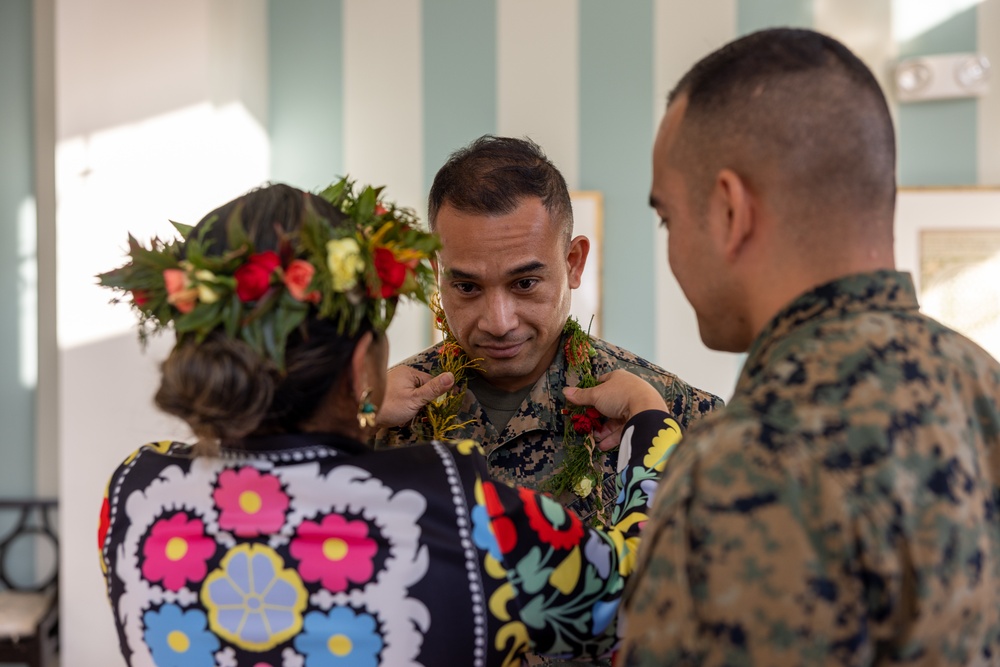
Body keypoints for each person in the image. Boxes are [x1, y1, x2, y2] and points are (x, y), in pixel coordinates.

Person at [95, 180, 681, 667]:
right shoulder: (462, 508)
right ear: (359, 366)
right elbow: (642, 598)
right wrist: (650, 423)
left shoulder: (134, 494)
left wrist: (363, 415)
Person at [565, 28, 1000, 665]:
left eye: (668, 218)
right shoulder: (983, 386)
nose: (670, 247)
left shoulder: (744, 460)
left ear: (730, 211)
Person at [377, 136, 722, 528]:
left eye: (524, 283)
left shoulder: (673, 414)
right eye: (468, 287)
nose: (499, 322)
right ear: (437, 273)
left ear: (573, 263)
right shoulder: (382, 417)